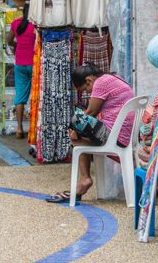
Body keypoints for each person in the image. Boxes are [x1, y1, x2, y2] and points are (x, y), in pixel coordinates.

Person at [46, 65, 134, 203]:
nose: (89, 92)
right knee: (78, 138)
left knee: (77, 120)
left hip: (114, 135)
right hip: (123, 134)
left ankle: (84, 179)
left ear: (88, 81)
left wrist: (75, 129)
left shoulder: (100, 83)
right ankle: (84, 178)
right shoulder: (113, 77)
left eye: (86, 89)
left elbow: (91, 112)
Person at [6, 3, 35, 139]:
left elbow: (9, 40)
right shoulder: (36, 25)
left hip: (20, 63)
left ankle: (18, 129)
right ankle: (33, 127)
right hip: (34, 63)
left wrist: (17, 45)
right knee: (35, 96)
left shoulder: (16, 23)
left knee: (20, 96)